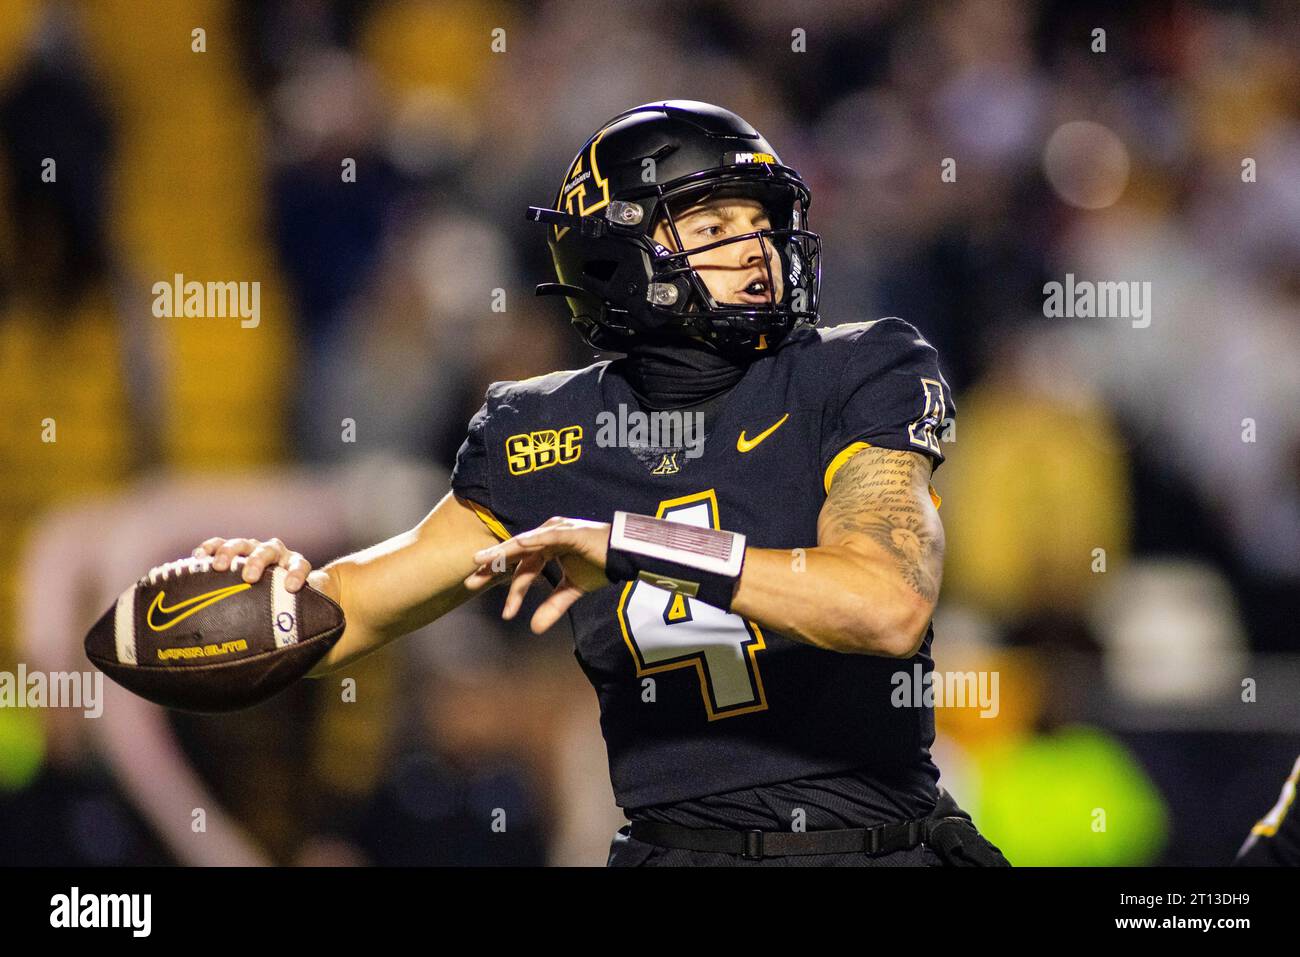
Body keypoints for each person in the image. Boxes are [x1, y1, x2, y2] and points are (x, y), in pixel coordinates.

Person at [193, 100, 1008, 866]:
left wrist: (636, 543)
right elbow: (365, 603)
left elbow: (887, 605)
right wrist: (279, 596)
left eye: (762, 223)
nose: (757, 249)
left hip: (873, 847)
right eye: (714, 225)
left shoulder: (858, 369)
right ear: (618, 254)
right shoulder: (543, 429)